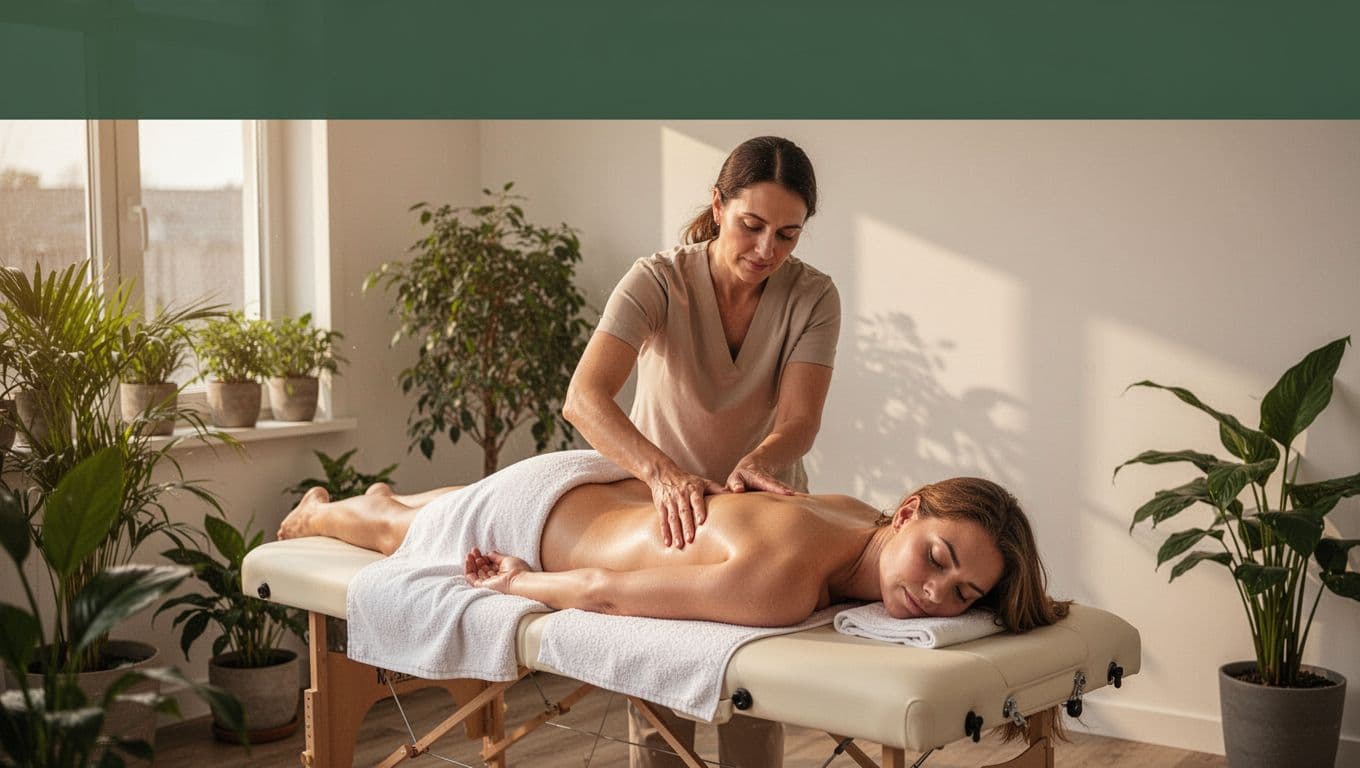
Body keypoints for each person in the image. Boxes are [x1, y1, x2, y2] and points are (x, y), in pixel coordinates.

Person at [563, 136, 839, 765]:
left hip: (757, 521)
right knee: (661, 731)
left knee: (753, 718)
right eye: (752, 225)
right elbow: (584, 397)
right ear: (718, 206)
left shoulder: (813, 296)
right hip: (664, 519)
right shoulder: (658, 281)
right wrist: (665, 476)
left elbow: (800, 418)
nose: (768, 250)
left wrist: (759, 462)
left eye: (789, 235)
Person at [277, 470, 1069, 634]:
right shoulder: (786, 582)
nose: (938, 594)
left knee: (422, 509)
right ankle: (320, 515)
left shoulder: (853, 513)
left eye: (965, 593)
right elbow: (606, 593)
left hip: (595, 487)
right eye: (937, 559)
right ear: (905, 514)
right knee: (394, 532)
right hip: (541, 524)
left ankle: (371, 499)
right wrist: (524, 582)